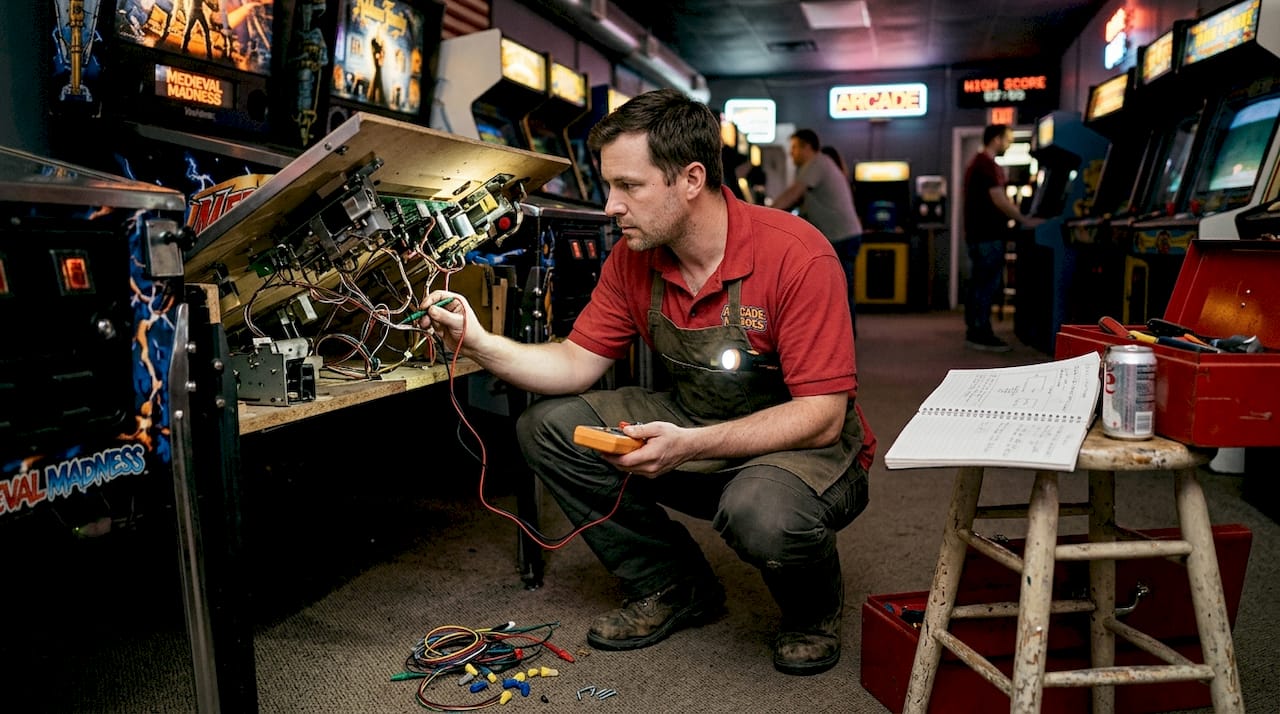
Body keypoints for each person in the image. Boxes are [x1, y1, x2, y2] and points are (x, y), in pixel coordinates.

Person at [419, 89, 875, 676]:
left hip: (806, 454)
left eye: (629, 187)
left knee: (760, 508)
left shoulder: (796, 256)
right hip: (696, 422)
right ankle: (675, 585)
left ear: (690, 179)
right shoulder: (634, 259)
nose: (610, 205)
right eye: (609, 185)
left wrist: (689, 445)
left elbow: (821, 416)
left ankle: (812, 612)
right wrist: (478, 341)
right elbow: (573, 364)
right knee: (549, 428)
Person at [771, 130, 863, 337]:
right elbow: (804, 206)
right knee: (839, 289)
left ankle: (845, 339)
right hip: (844, 235)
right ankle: (842, 337)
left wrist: (762, 214)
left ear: (806, 147)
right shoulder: (818, 165)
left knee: (841, 291)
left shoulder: (817, 164)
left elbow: (793, 193)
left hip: (842, 236)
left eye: (794, 148)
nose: (791, 153)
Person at [962, 124, 1042, 352]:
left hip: (980, 235)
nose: (1008, 144)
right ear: (996, 139)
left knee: (980, 283)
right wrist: (1024, 219)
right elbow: (998, 198)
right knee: (986, 285)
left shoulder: (978, 163)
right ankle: (980, 332)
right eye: (1007, 139)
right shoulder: (985, 165)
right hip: (986, 235)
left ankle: (976, 330)